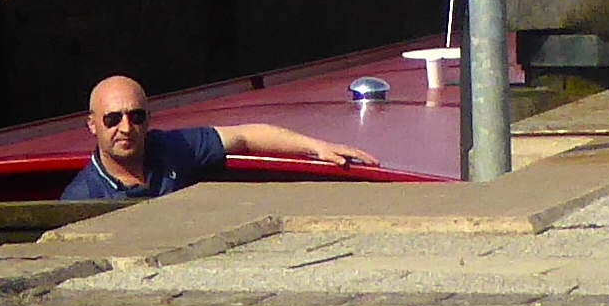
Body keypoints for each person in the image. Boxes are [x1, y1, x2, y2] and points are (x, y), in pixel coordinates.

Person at [63, 74, 376, 202]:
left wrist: (317, 147)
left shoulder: (173, 149)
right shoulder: (82, 197)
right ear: (92, 125)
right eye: (113, 119)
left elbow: (244, 136)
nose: (126, 127)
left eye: (137, 116)